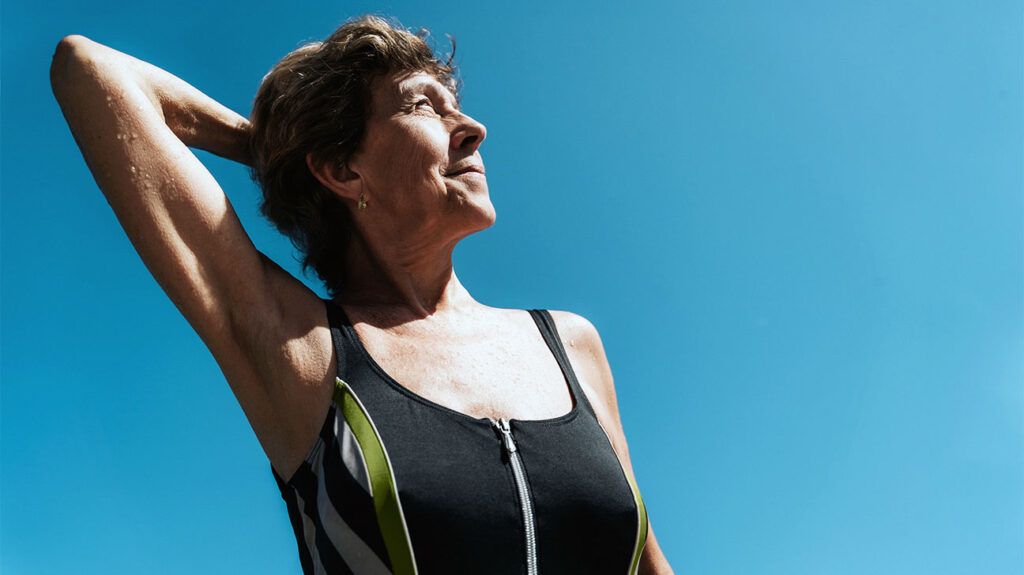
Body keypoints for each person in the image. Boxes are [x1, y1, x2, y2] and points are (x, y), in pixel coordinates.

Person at [50, 13, 674, 575]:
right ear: (344, 170)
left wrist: (312, 160)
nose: (473, 129)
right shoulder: (301, 350)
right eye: (425, 107)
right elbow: (89, 69)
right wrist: (283, 155)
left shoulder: (569, 342)